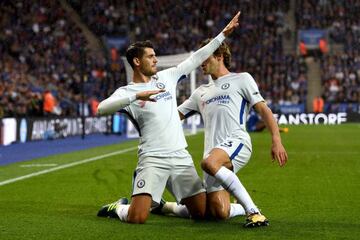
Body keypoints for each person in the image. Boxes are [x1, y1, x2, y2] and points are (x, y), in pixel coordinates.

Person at [95, 12, 241, 224]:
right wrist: (136, 95)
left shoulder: (166, 78)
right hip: (152, 158)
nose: (156, 59)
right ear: (137, 61)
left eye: (155, 55)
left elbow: (194, 59)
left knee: (201, 213)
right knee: (137, 218)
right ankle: (118, 207)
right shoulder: (127, 91)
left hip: (180, 157)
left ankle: (163, 206)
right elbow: (101, 109)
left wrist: (222, 36)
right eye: (150, 56)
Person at [158, 39, 288, 227]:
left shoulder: (242, 79)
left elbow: (264, 110)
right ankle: (165, 207)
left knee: (209, 162)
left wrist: (276, 140)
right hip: (212, 153)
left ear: (219, 57)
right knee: (215, 212)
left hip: (237, 142)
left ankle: (254, 212)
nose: (201, 63)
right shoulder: (200, 92)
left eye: (205, 57)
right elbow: (173, 116)